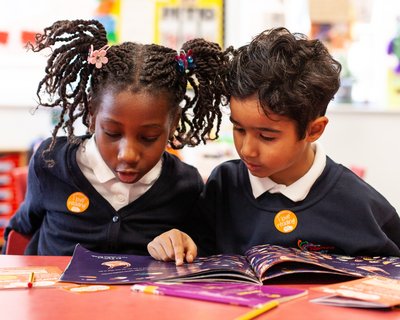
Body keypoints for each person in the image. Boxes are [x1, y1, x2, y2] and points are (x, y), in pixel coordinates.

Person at [148, 27, 400, 265]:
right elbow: (196, 249)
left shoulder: (360, 206)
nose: (247, 149)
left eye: (267, 137)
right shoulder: (224, 185)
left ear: (314, 130)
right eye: (239, 129)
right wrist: (175, 242)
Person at [2, 19, 230, 256]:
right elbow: (20, 235)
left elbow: (199, 253)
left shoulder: (184, 185)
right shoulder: (51, 164)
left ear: (173, 125)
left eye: (148, 137)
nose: (128, 154)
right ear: (91, 115)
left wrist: (182, 242)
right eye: (112, 133)